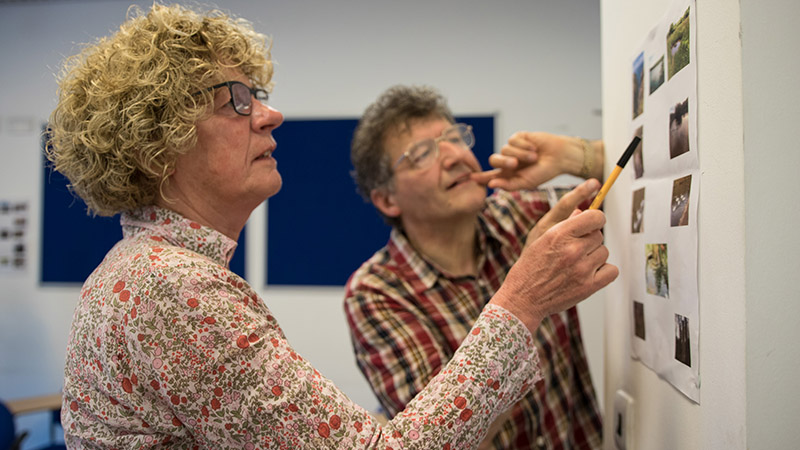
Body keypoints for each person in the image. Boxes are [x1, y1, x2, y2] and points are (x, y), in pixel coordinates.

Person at [46, 4, 617, 448]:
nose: (271, 115)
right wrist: (522, 302)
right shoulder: (173, 291)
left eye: (258, 96)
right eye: (236, 101)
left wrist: (579, 153)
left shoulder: (150, 274)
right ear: (156, 145)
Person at [345, 85, 608, 449]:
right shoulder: (375, 293)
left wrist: (572, 155)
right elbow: (441, 440)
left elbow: (637, 187)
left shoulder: (519, 214)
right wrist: (528, 299)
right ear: (388, 200)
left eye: (454, 137)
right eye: (423, 153)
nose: (454, 155)